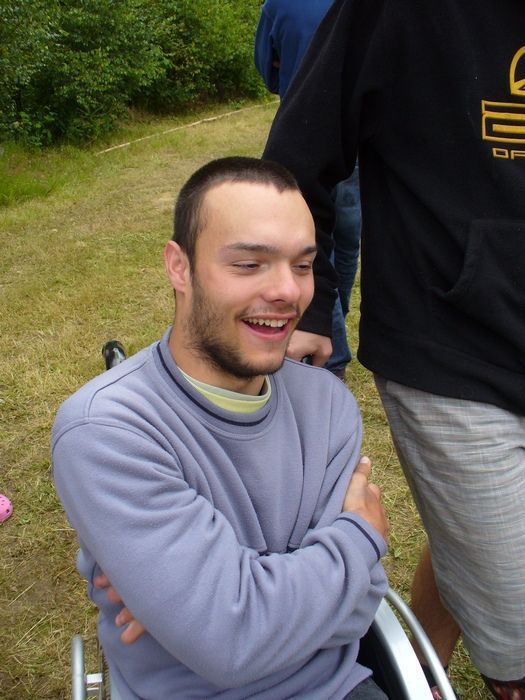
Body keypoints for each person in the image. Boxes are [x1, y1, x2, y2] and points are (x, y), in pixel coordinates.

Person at [52, 157, 389, 699]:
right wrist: (358, 539)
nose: (288, 291)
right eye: (250, 264)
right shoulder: (107, 431)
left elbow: (363, 603)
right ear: (178, 267)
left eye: (303, 265)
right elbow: (232, 644)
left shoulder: (328, 405)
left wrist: (192, 606)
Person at [262, 2, 525, 698]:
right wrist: (310, 301)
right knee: (518, 651)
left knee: (477, 538)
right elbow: (299, 156)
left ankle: (423, 675)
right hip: (452, 346)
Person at [254, 0, 362, 379]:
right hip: (354, 137)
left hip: (300, 135)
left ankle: (327, 338)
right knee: (346, 238)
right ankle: (332, 318)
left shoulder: (278, 4)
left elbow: (267, 71)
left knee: (311, 243)